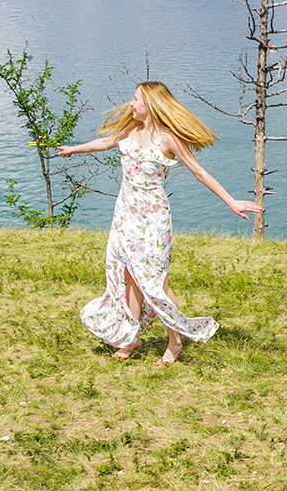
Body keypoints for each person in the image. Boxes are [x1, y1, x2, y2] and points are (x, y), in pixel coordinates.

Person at [58, 81, 261, 365]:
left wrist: (232, 201)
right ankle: (129, 339)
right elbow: (105, 142)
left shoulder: (167, 139)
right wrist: (73, 149)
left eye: (136, 99)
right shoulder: (129, 131)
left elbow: (199, 172)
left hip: (153, 221)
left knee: (155, 283)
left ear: (151, 104)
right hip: (125, 216)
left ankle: (175, 342)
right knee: (128, 276)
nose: (131, 104)